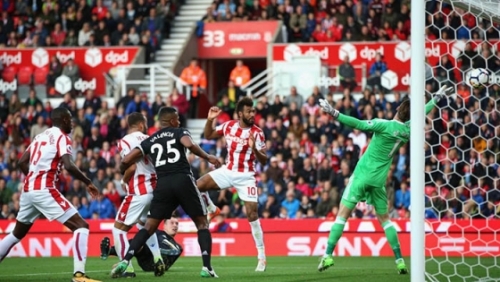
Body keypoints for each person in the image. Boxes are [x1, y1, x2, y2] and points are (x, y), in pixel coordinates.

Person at [316, 86, 454, 274]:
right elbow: (422, 113)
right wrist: (436, 98)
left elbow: (359, 124)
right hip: (379, 181)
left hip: (361, 176)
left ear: (398, 109)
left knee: (342, 215)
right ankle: (399, 261)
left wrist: (334, 113)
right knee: (386, 221)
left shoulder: (384, 125)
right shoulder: (407, 130)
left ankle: (327, 255)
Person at [111, 107, 221, 278]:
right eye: (177, 118)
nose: (179, 121)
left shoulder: (151, 139)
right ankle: (207, 268)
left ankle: (125, 260)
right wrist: (208, 157)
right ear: (171, 121)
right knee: (202, 224)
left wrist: (122, 170)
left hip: (162, 185)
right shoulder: (179, 132)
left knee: (148, 227)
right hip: (183, 180)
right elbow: (189, 144)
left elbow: (127, 160)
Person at [0, 107, 101, 282]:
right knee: (81, 226)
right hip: (44, 189)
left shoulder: (40, 136)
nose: (71, 122)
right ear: (62, 120)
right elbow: (69, 166)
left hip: (28, 190)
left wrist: (33, 177)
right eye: (69, 119)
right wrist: (88, 182)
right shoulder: (63, 137)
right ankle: (79, 275)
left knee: (17, 233)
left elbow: (22, 162)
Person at [198, 97, 268, 271]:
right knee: (196, 186)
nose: (252, 114)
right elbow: (208, 135)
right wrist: (210, 119)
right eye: (249, 111)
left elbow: (264, 161)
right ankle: (212, 209)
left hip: (246, 176)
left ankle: (261, 257)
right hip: (228, 171)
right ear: (240, 114)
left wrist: (254, 149)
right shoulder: (229, 126)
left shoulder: (258, 133)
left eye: (253, 111)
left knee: (252, 214)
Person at [109, 112, 163, 278]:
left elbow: (130, 167)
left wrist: (124, 181)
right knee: (144, 226)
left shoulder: (125, 141)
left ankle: (128, 268)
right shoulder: (150, 139)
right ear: (140, 125)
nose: (145, 126)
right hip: (155, 190)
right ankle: (158, 258)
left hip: (139, 190)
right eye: (145, 123)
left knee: (118, 230)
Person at [101, 211, 183, 272]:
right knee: (139, 242)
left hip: (158, 265)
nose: (175, 225)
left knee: (140, 242)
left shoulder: (178, 247)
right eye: (172, 223)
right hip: (146, 257)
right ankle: (112, 252)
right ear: (164, 225)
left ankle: (122, 260)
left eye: (177, 224)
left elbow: (170, 260)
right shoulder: (155, 232)